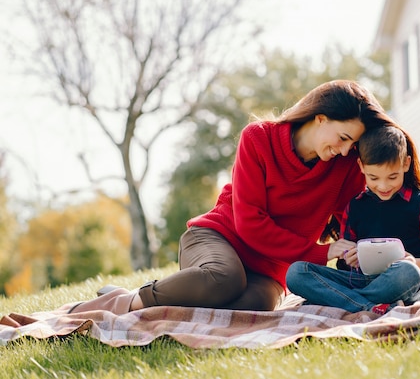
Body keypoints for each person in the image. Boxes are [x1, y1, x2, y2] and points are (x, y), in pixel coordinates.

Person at [66, 80, 392, 315]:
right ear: (320, 118)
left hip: (270, 269)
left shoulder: (343, 163)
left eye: (353, 143)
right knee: (224, 279)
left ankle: (159, 296)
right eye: (344, 137)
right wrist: (317, 253)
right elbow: (249, 223)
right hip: (218, 239)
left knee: (254, 307)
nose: (347, 149)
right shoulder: (259, 138)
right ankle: (121, 302)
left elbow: (361, 216)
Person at [285, 125, 420, 315]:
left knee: (408, 273)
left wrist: (418, 263)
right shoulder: (355, 207)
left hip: (400, 281)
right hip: (360, 280)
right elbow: (345, 265)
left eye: (392, 177)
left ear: (405, 164)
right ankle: (370, 306)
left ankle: (340, 300)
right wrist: (350, 258)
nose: (383, 186)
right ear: (361, 167)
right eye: (373, 178)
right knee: (297, 273)